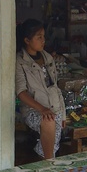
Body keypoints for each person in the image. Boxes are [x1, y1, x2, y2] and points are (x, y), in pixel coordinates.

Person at [15, 19, 66, 159]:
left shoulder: (47, 57)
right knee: (48, 122)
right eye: (39, 37)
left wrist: (63, 113)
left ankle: (44, 163)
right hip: (34, 110)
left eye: (43, 37)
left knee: (52, 142)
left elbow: (55, 86)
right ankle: (49, 165)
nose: (43, 40)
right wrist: (42, 109)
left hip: (54, 107)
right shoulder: (20, 61)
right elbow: (21, 93)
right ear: (27, 40)